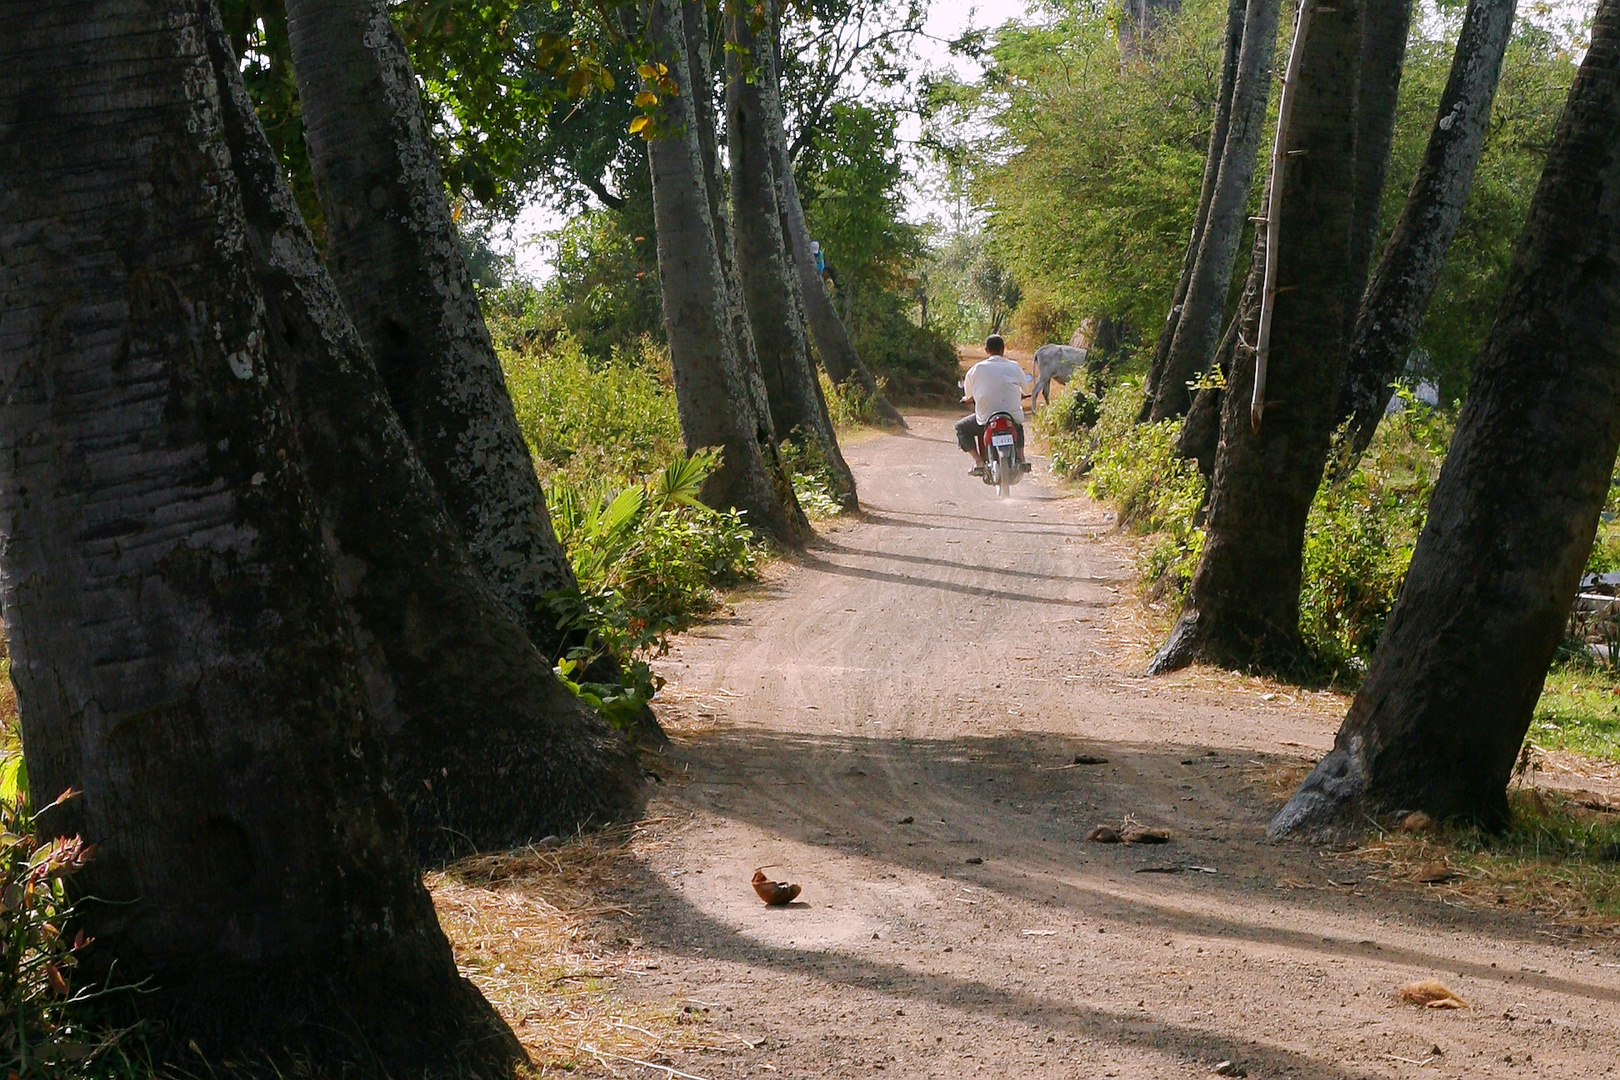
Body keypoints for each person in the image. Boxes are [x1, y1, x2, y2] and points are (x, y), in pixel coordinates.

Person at [957, 335, 1032, 477]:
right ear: (1003, 349)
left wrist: (968, 399)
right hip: (1011, 415)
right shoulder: (1014, 366)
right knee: (1018, 425)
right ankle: (1021, 458)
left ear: (986, 350)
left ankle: (979, 462)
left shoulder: (975, 369)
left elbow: (968, 395)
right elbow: (1026, 390)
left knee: (961, 428)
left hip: (986, 417)